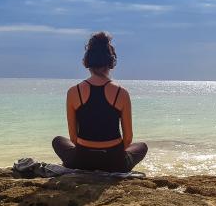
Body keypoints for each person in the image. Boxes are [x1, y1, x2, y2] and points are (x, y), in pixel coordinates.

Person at [52, 31, 147, 172]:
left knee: (58, 141)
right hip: (114, 163)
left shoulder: (73, 92)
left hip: (82, 161)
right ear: (111, 62)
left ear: (87, 61)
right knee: (142, 146)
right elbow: (128, 139)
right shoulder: (122, 93)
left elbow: (73, 138)